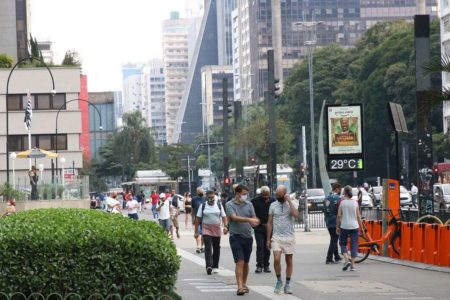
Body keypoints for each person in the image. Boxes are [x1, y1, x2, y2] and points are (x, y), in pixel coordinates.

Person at [226, 185, 260, 296]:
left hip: (248, 237)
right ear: (237, 193)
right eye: (244, 194)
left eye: (246, 194)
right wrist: (249, 219)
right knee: (239, 261)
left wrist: (255, 221)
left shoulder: (249, 204)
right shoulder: (229, 204)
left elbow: (254, 217)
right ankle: (239, 286)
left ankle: (244, 284)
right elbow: (234, 218)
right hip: (235, 236)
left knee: (246, 262)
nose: (245, 196)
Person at [266, 185, 299, 295]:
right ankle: (279, 280)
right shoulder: (272, 205)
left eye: (280, 195)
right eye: (277, 195)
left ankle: (288, 283)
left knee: (289, 260)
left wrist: (289, 201)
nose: (278, 196)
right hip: (277, 237)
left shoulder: (291, 203)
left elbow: (296, 215)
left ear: (285, 194)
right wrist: (268, 239)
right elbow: (269, 222)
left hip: (289, 237)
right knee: (276, 259)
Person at [194, 190, 228, 275]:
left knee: (216, 247)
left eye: (212, 197)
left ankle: (215, 266)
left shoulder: (219, 205)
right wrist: (196, 231)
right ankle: (209, 266)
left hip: (216, 228)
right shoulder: (203, 206)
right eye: (209, 197)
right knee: (208, 247)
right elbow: (197, 219)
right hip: (206, 229)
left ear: (215, 197)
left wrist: (225, 227)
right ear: (206, 198)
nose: (211, 199)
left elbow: (224, 216)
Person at [337, 185, 365, 272]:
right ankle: (353, 265)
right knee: (354, 245)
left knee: (342, 243)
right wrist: (362, 228)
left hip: (344, 226)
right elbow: (358, 216)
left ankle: (346, 260)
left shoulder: (342, 203)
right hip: (354, 226)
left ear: (344, 193)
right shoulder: (355, 203)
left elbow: (339, 216)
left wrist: (338, 226)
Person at [251, 186, 274, 274]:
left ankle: (266, 265)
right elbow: (251, 213)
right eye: (264, 195)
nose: (266, 197)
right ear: (261, 194)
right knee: (260, 246)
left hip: (270, 227)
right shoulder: (255, 201)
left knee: (267, 246)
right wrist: (255, 220)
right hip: (259, 227)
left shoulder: (273, 201)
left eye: (267, 195)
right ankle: (259, 265)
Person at [323, 183, 343, 264]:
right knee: (334, 240)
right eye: (340, 190)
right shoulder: (338, 198)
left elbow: (324, 209)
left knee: (333, 238)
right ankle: (329, 258)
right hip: (335, 221)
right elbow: (339, 211)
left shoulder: (326, 198)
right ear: (337, 189)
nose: (340, 191)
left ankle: (337, 256)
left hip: (328, 221)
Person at [192, 187, 206, 253]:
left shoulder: (205, 199)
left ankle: (202, 246)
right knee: (197, 232)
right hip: (197, 219)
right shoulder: (194, 199)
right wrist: (193, 218)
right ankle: (198, 246)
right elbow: (192, 210)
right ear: (197, 192)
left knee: (203, 233)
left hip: (205, 219)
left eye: (201, 191)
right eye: (199, 191)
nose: (200, 192)